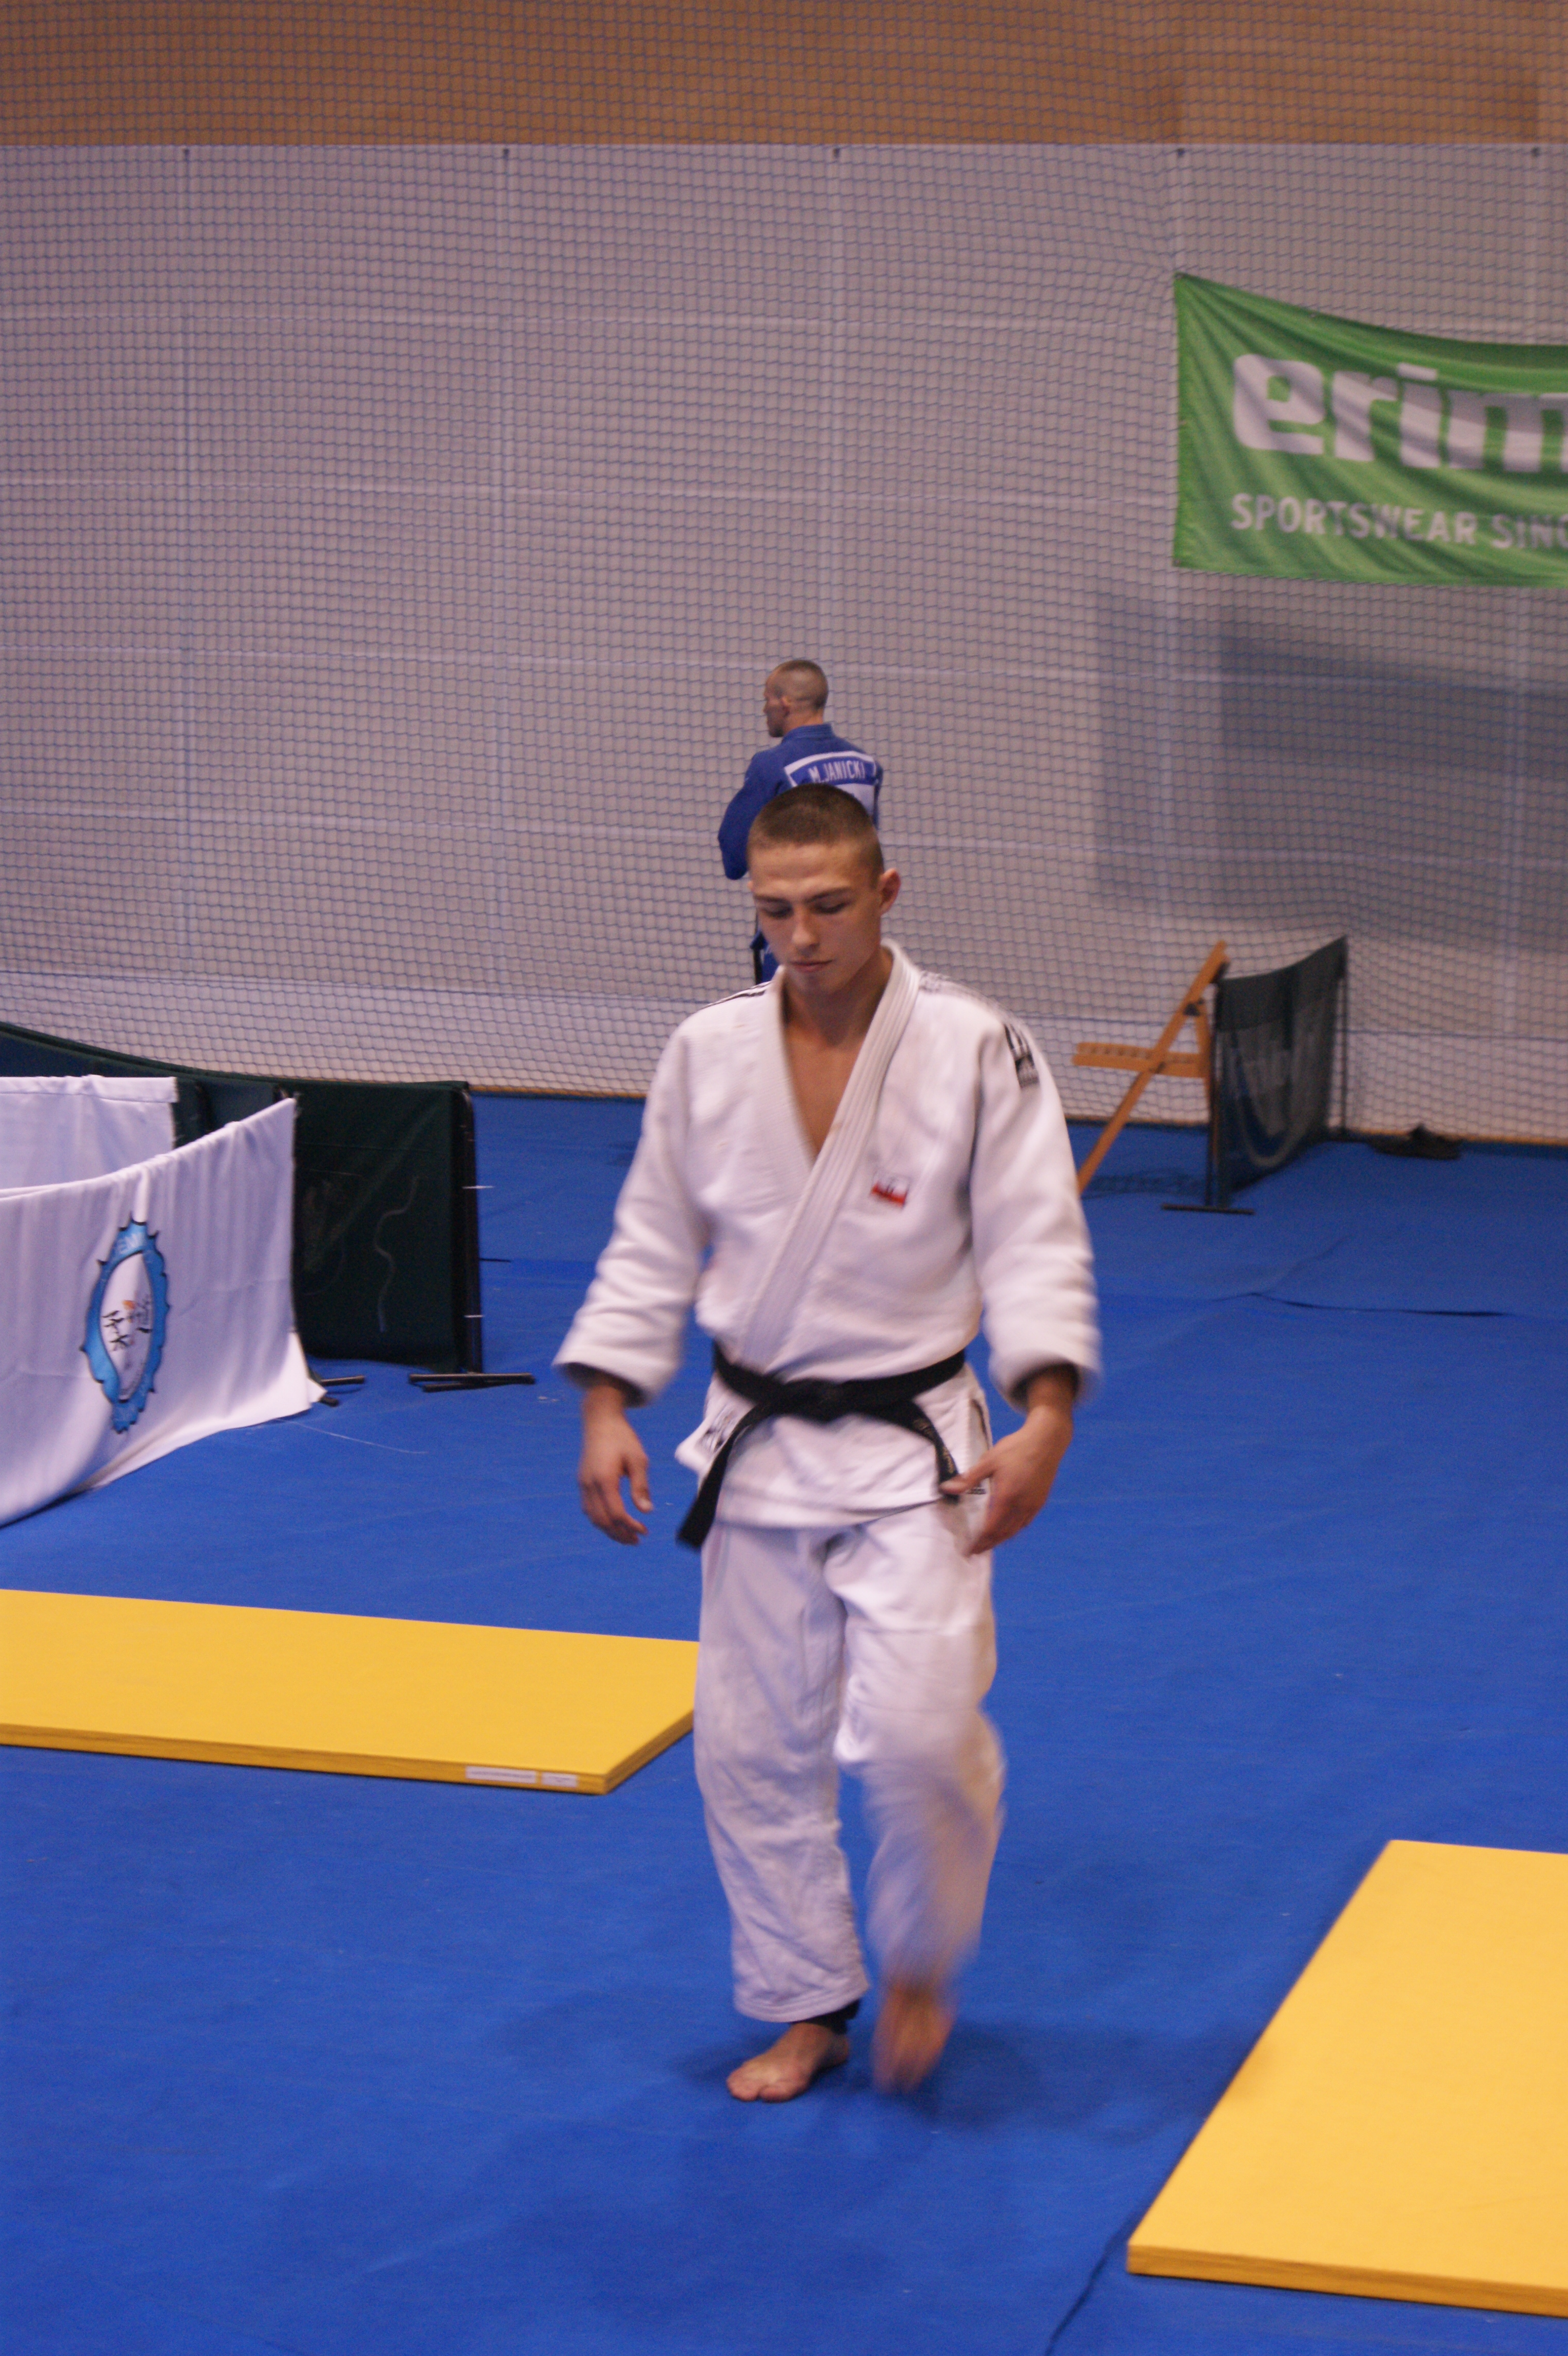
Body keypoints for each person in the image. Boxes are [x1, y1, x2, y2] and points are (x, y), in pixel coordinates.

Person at [558, 785, 1099, 2103]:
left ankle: (920, 1954)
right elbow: (650, 1234)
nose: (799, 936)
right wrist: (607, 1400)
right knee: (749, 1753)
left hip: (920, 1455)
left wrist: (1046, 1416)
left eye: (828, 906)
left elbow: (1034, 1235)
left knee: (918, 1738)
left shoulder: (973, 1045)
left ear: (886, 892)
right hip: (758, 1452)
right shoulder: (708, 1050)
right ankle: (806, 2000)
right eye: (774, 910)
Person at [719, 660, 884, 980]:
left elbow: (734, 856)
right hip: (853, 934)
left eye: (767, 699)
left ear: (785, 704)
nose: (765, 709)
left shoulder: (774, 766)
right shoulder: (866, 766)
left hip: (795, 932)